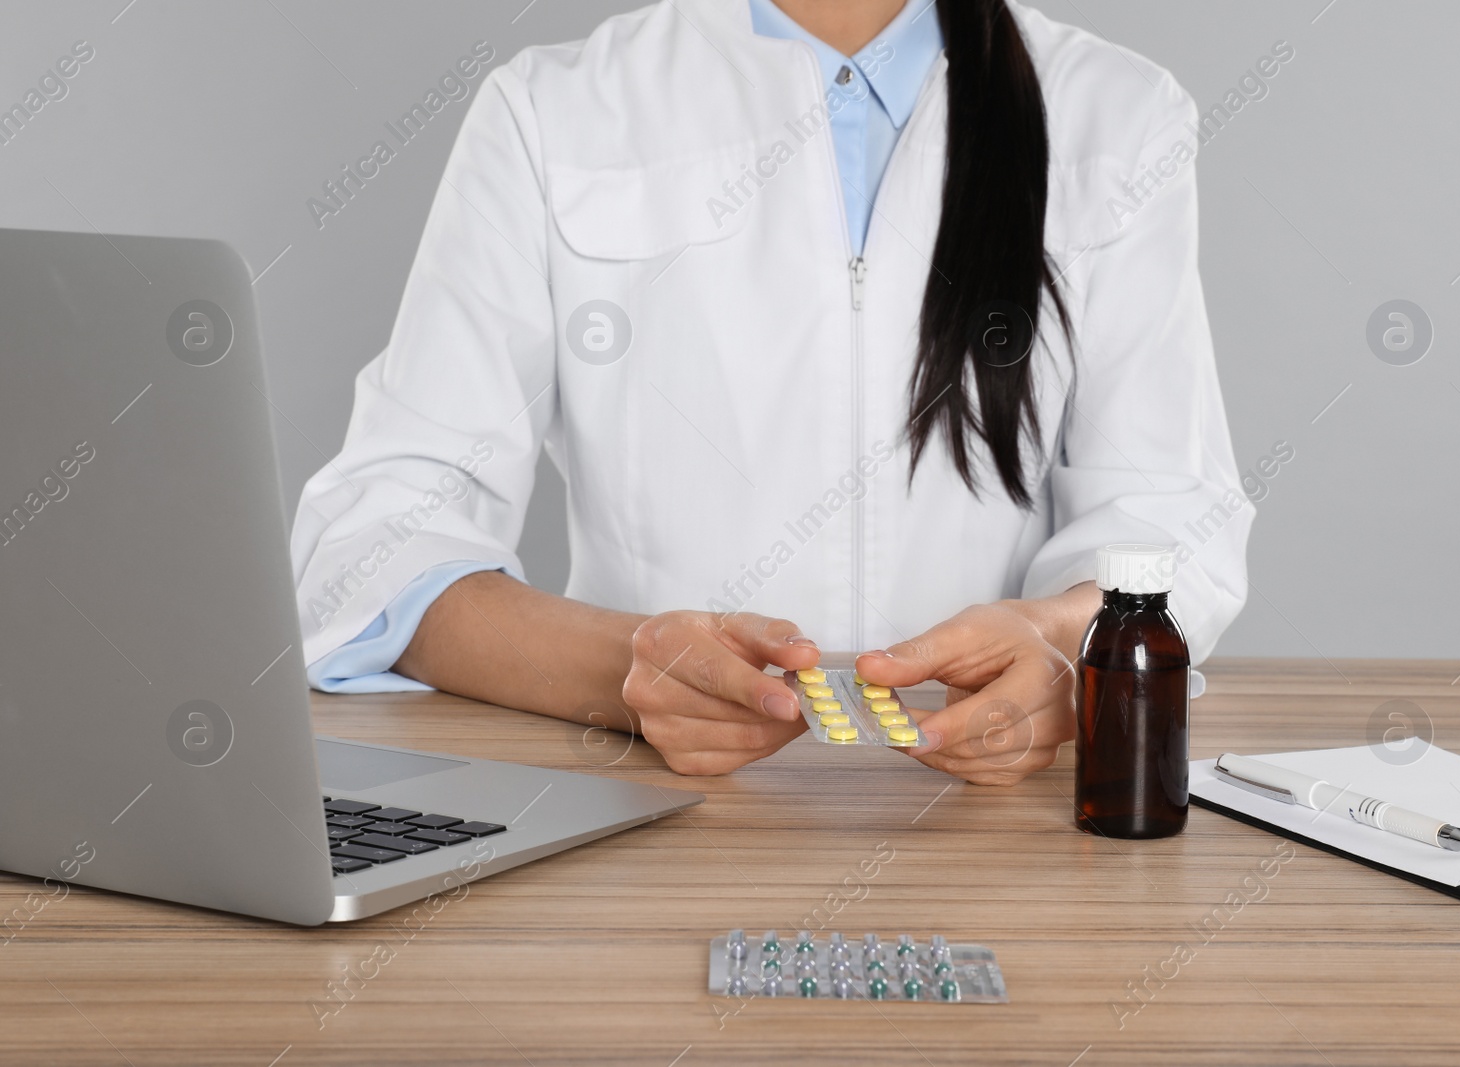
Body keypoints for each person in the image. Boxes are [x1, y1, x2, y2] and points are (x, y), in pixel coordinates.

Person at [289, 0, 1252, 785]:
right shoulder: (554, 111)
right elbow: (374, 545)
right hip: (652, 819)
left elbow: (1168, 517)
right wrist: (627, 670)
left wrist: (1056, 647)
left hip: (994, 832)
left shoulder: (1119, 117)